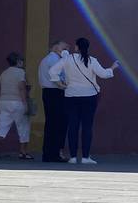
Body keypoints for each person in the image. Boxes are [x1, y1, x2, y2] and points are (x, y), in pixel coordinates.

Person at [48, 37, 118, 165]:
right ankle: (86, 157)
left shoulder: (67, 59)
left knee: (72, 126)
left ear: (76, 47)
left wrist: (60, 84)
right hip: (89, 97)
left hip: (71, 96)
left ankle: (73, 157)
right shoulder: (92, 60)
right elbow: (104, 74)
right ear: (87, 47)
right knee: (87, 127)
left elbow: (52, 71)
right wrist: (113, 67)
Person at [0, 52, 33, 159]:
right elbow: (21, 87)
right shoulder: (20, 72)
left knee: (3, 126)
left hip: (3, 101)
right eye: (21, 61)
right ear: (18, 61)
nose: (22, 63)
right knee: (23, 126)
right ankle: (23, 151)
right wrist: (25, 103)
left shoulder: (4, 73)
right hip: (17, 101)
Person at [38, 38, 70, 163]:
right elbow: (57, 77)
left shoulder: (49, 59)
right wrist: (65, 86)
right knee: (58, 123)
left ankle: (50, 153)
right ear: (55, 47)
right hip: (55, 93)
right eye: (64, 48)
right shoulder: (53, 60)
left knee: (53, 123)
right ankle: (54, 153)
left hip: (50, 93)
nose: (66, 51)